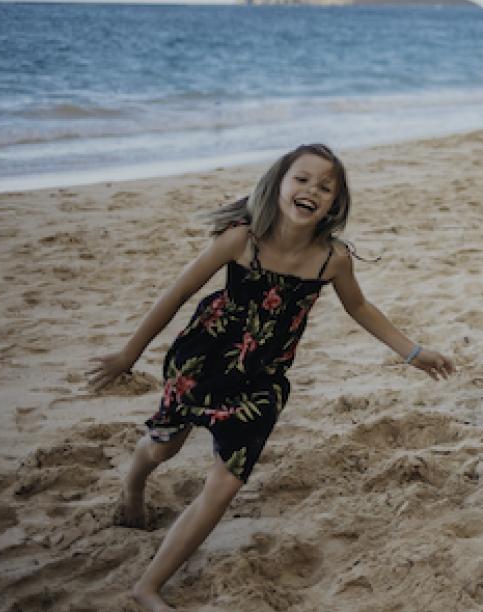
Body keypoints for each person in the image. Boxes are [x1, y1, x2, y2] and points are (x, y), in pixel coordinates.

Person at [86, 144, 455, 612]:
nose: (311, 191)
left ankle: (148, 587)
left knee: (226, 482)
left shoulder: (332, 259)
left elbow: (359, 307)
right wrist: (127, 354)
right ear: (278, 183)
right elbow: (178, 292)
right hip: (202, 359)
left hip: (262, 379)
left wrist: (413, 352)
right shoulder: (242, 239)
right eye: (301, 179)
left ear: (335, 203)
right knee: (164, 445)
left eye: (325, 187)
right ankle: (134, 486)